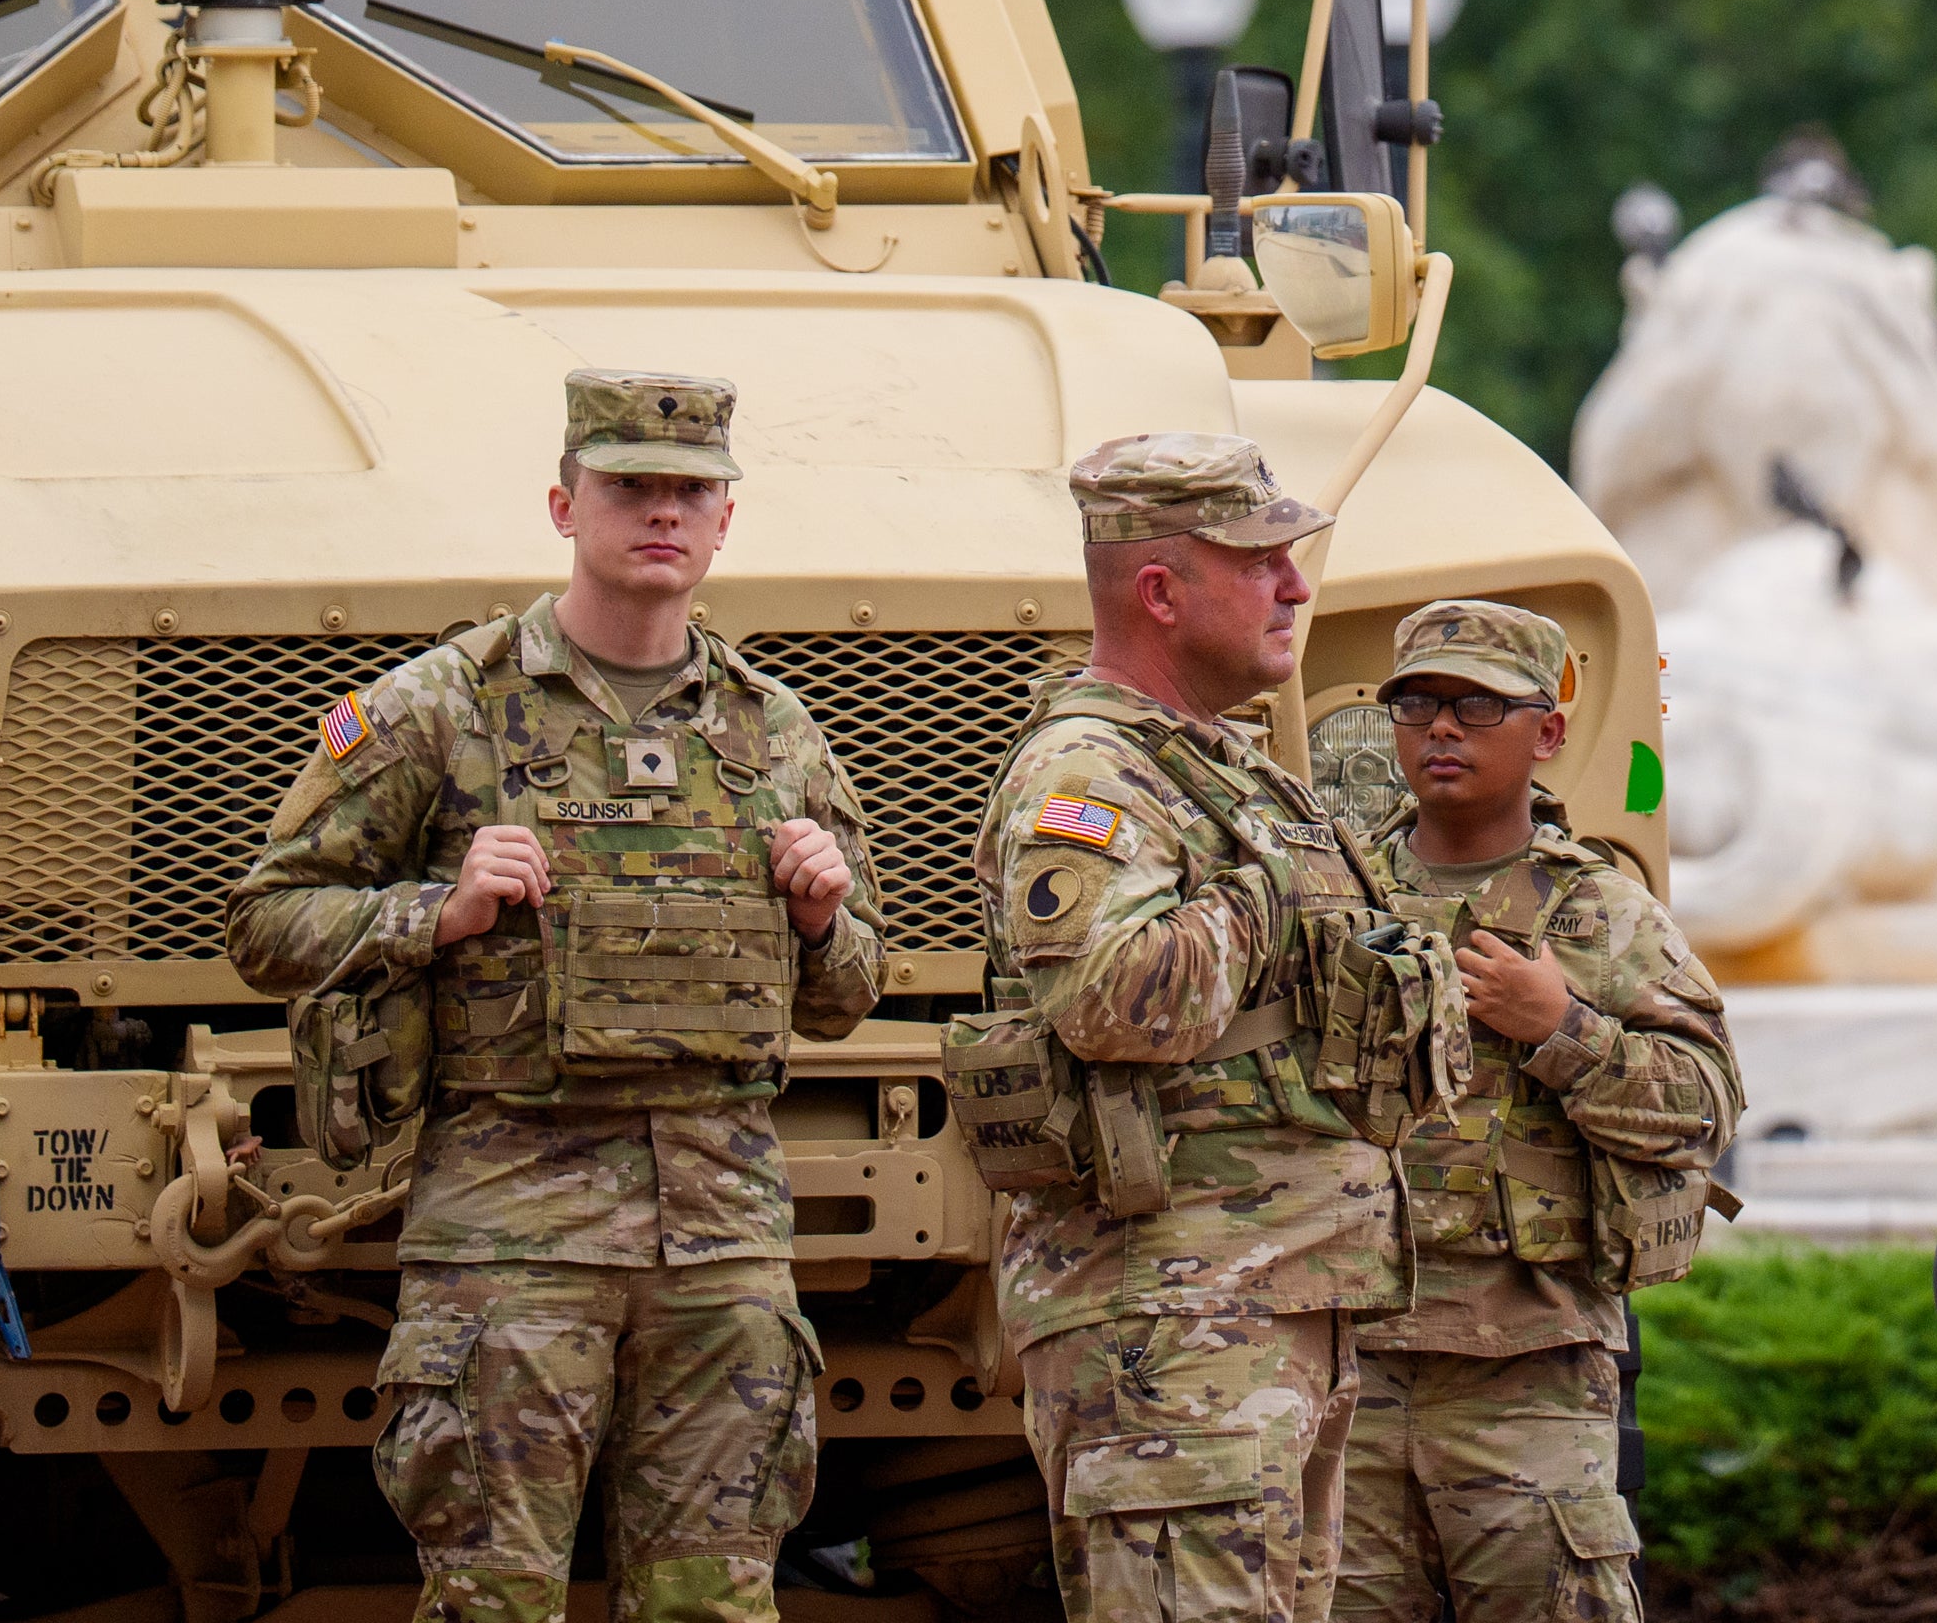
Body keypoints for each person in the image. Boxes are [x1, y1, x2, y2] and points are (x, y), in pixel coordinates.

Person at [227, 368, 880, 1623]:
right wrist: (437, 909)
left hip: (722, 1244)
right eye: (629, 484)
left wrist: (819, 916)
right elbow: (263, 922)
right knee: (493, 1601)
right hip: (508, 1235)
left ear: (726, 521)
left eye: (692, 490)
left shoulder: (776, 730)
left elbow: (848, 994)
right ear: (563, 504)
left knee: (715, 1600)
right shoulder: (438, 708)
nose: (663, 512)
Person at [983, 435, 1460, 1623]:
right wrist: (1263, 891)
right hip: (1171, 1328)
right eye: (1260, 561)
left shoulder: (1227, 773)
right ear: (1161, 590)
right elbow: (1111, 997)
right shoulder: (1089, 775)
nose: (1296, 585)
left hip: (1278, 1308)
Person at [1331, 600, 1743, 1623]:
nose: (1441, 729)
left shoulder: (1599, 914)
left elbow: (1704, 1105)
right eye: (1417, 703)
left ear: (1547, 732)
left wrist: (1561, 1028)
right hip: (1349, 1368)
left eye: (1478, 706)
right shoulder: (1333, 898)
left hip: (1528, 1373)